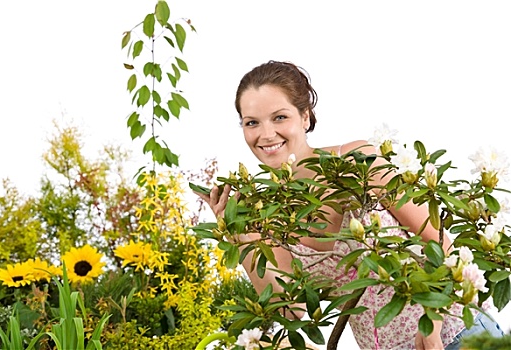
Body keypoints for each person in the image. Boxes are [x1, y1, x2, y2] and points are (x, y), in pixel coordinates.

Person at [194, 60, 505, 349]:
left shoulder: (357, 161)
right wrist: (242, 235)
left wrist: (431, 325)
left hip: (457, 333)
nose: (265, 134)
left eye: (279, 117)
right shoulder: (269, 212)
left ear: (305, 116)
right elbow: (290, 308)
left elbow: (438, 242)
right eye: (251, 122)